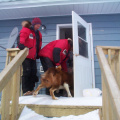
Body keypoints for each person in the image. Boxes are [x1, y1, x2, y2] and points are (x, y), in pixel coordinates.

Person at [17, 18, 42, 96]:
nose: (38, 27)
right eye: (37, 25)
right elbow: (22, 37)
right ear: (34, 24)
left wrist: (38, 53)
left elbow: (38, 44)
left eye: (39, 26)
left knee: (33, 73)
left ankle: (31, 90)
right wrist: (21, 44)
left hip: (33, 57)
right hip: (26, 55)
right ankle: (25, 90)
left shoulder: (37, 33)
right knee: (27, 72)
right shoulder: (27, 30)